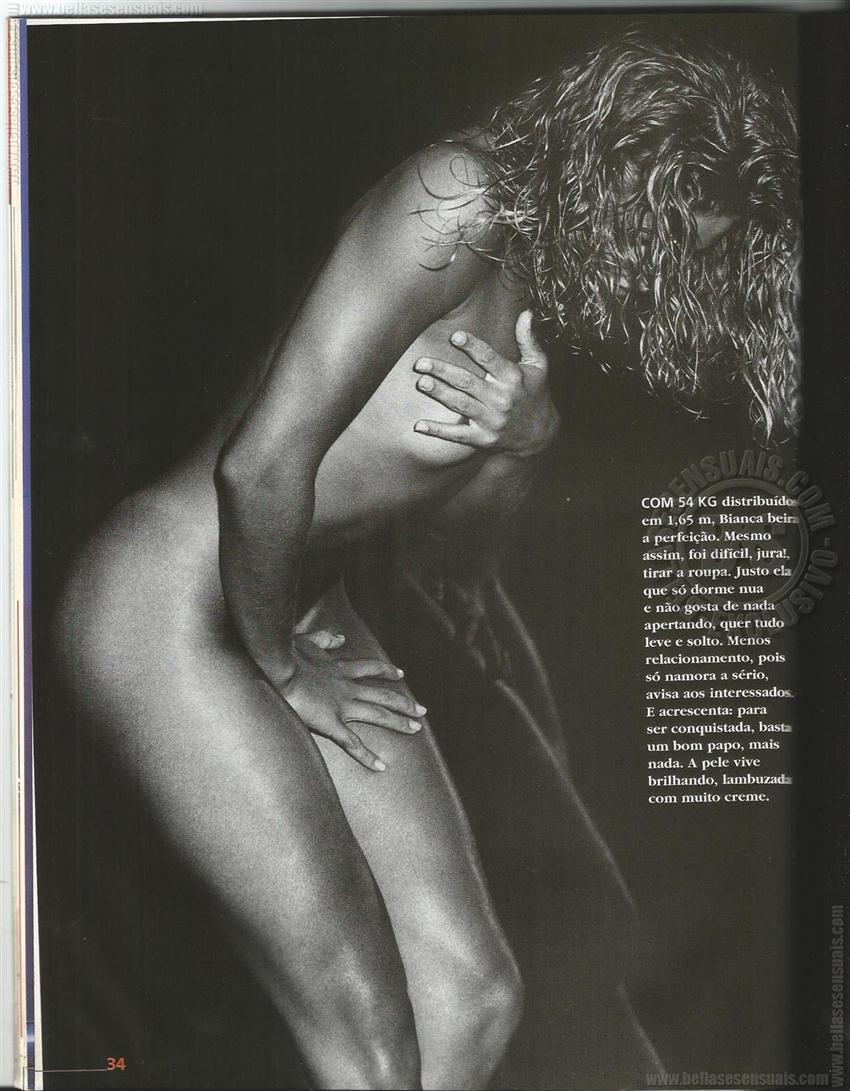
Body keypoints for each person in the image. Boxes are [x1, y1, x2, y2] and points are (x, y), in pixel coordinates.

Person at [52, 29, 799, 1091]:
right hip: (175, 603)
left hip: (302, 607)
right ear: (627, 178)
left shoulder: (547, 280)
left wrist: (527, 438)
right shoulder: (454, 197)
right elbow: (257, 467)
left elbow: (452, 550)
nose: (669, 274)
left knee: (470, 998)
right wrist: (282, 669)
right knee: (368, 1046)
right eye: (677, 238)